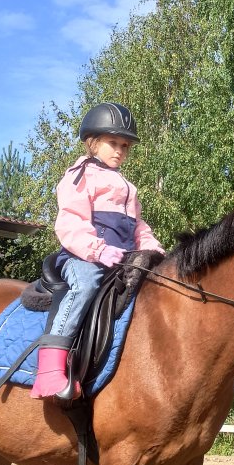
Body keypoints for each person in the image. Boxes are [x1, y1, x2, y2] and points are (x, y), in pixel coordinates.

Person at [30, 102, 165, 400]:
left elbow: (137, 225)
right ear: (93, 142)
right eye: (113, 143)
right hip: (83, 257)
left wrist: (152, 247)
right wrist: (97, 250)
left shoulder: (127, 186)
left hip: (121, 260)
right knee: (85, 285)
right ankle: (50, 367)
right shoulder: (80, 175)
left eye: (125, 146)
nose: (120, 150)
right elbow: (70, 222)